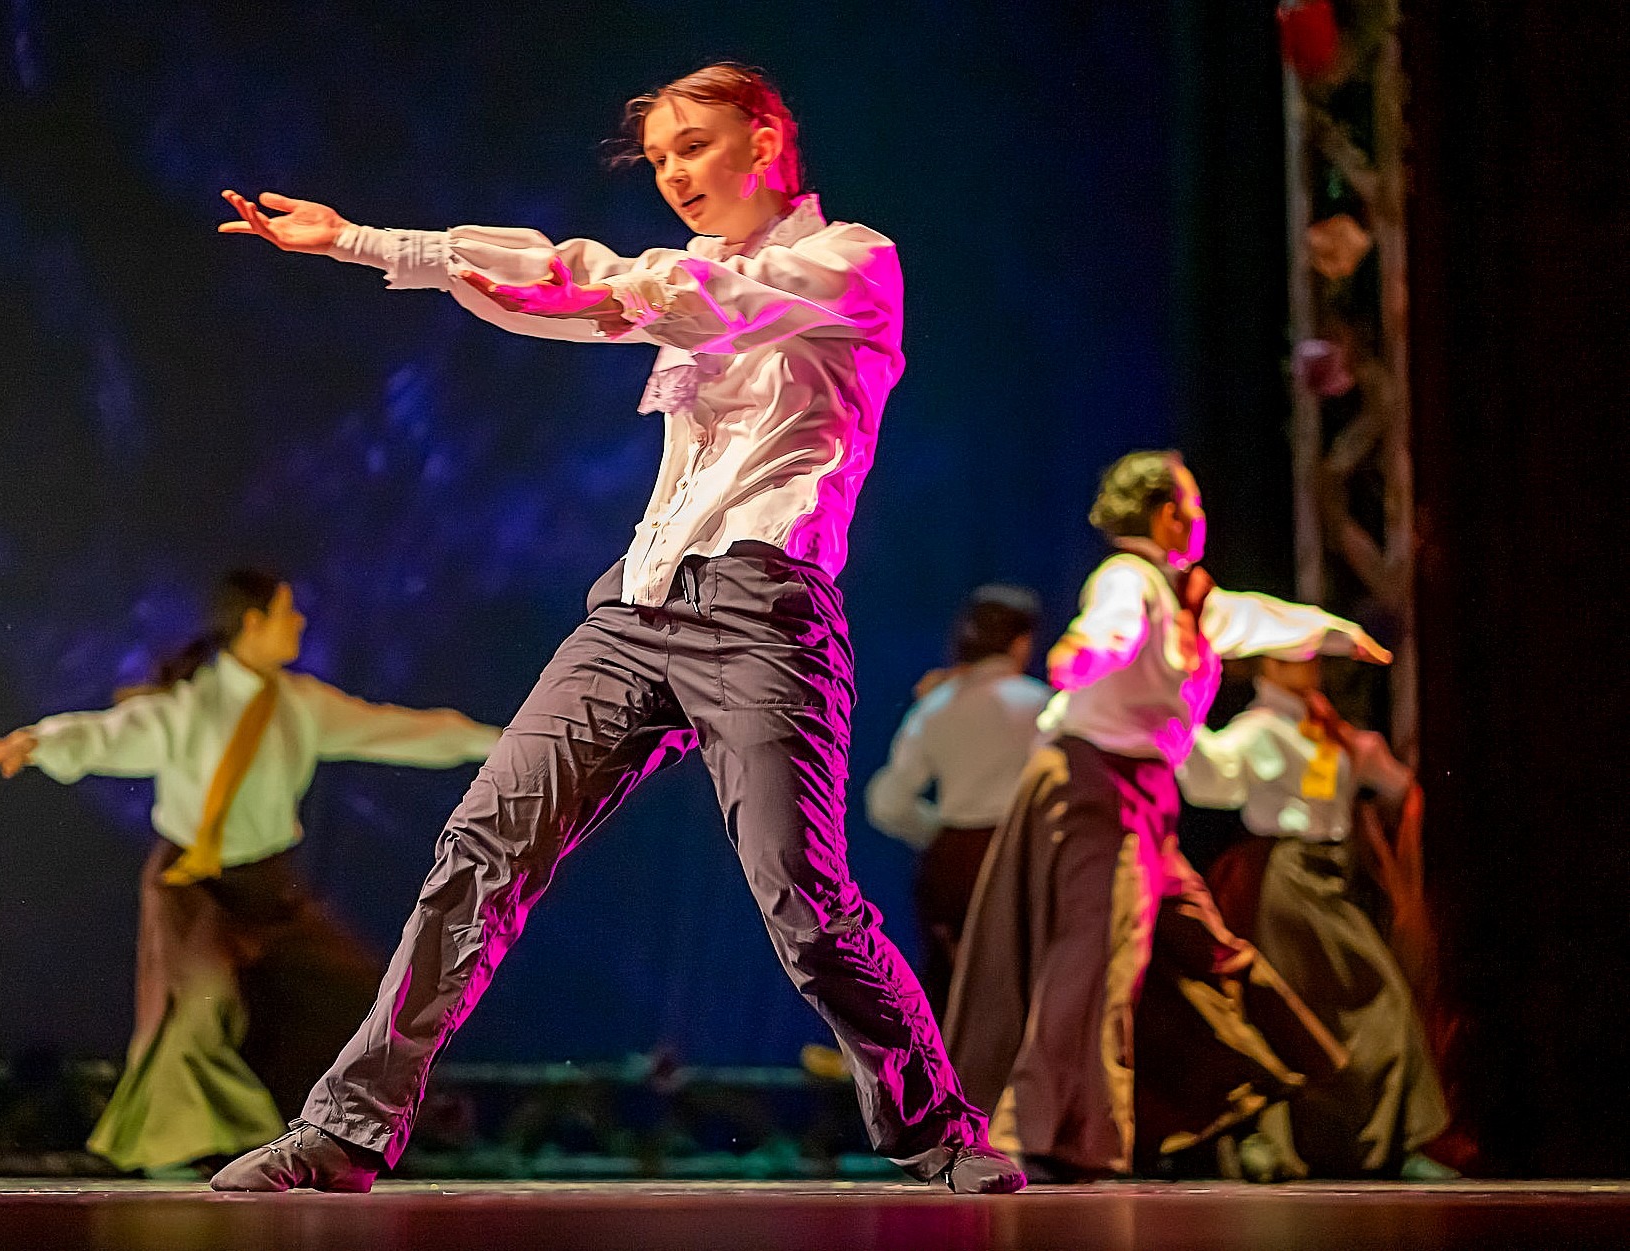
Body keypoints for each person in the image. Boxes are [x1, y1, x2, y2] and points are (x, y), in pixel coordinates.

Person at [206, 63, 1022, 1194]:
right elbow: (561, 284)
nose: (675, 175)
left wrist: (628, 285)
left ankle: (940, 1132)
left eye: (693, 146)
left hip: (764, 615)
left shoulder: (850, 264)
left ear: (766, 136)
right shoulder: (682, 279)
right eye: (659, 162)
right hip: (636, 609)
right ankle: (346, 1130)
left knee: (802, 899)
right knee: (481, 851)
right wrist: (358, 242)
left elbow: (680, 297)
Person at [0, 569, 499, 1177]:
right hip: (196, 885)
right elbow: (111, 735)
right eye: (287, 614)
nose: (298, 625)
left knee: (359, 992)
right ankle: (192, 1148)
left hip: (271, 889)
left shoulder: (302, 705)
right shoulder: (192, 706)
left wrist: (499, 743)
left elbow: (399, 730)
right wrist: (39, 742)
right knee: (201, 1005)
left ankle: (339, 1131)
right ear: (253, 624)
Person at [944, 450, 1386, 1181]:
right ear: (1163, 514)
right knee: (1097, 956)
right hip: (1091, 783)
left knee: (1203, 940)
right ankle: (1047, 1131)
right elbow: (1110, 628)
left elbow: (1268, 618)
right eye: (1191, 504)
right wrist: (1085, 653)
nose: (1201, 518)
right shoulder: (1130, 580)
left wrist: (1342, 635)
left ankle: (1256, 1073)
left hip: (1144, 798)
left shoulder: (1196, 601)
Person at [1178, 656, 1449, 1177]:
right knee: (1317, 1000)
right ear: (1266, 667)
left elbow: (1393, 783)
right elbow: (1209, 779)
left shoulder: (1326, 729)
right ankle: (1278, 1143)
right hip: (1287, 877)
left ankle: (1380, 1142)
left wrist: (1370, 763)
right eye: (1288, 657)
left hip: (1332, 873)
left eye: (1307, 655)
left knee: (1345, 1006)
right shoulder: (1259, 730)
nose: (1305, 666)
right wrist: (1185, 713)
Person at [865, 584, 1050, 1019]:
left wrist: (940, 829)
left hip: (949, 865)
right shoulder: (1042, 706)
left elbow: (887, 802)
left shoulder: (935, 707)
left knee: (951, 995)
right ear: (1022, 642)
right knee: (1020, 993)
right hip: (1016, 859)